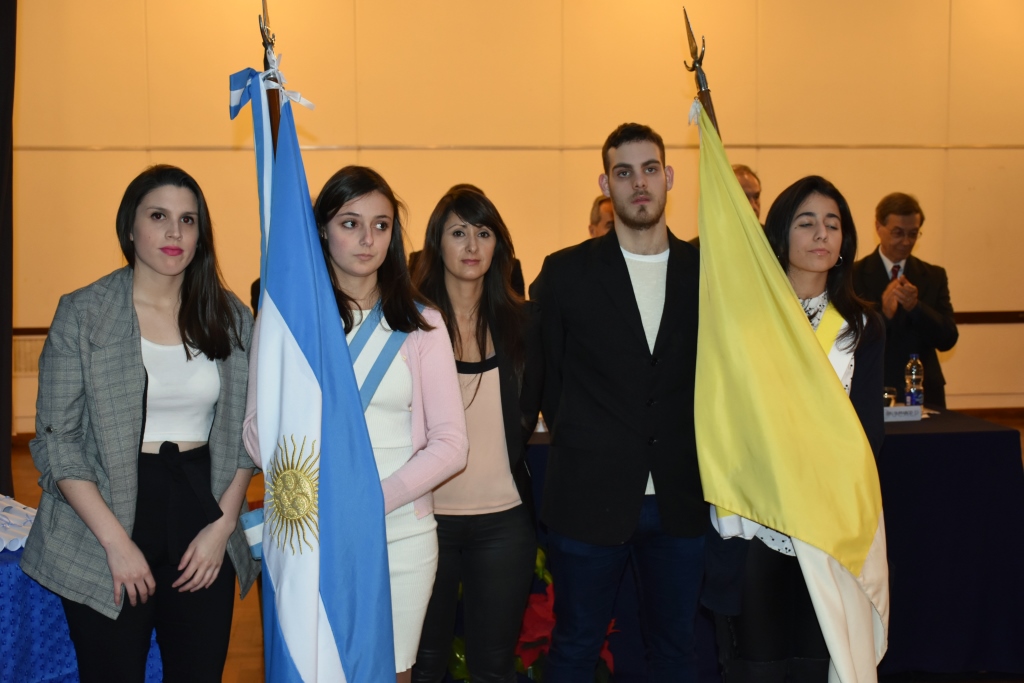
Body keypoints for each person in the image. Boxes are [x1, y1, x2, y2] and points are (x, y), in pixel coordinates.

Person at [21, 165, 259, 683]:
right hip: (103, 515)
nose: (175, 232)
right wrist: (116, 542)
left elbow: (250, 435)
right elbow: (57, 442)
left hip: (204, 514)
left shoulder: (232, 317)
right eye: (159, 216)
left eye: (188, 220)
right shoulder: (84, 314)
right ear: (131, 227)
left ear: (201, 234)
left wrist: (221, 528)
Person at [530, 123, 705, 681]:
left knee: (675, 653)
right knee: (576, 648)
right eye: (623, 172)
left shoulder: (707, 271)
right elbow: (548, 381)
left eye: (649, 168)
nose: (639, 183)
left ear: (669, 176)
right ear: (606, 183)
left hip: (681, 499)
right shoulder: (565, 273)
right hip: (589, 498)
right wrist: (594, 441)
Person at [723, 175, 885, 683]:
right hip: (759, 520)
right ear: (780, 235)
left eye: (832, 224)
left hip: (831, 523)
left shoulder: (862, 326)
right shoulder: (747, 320)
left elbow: (867, 436)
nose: (821, 235)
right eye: (807, 222)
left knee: (822, 661)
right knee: (760, 666)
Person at [312, 165, 468, 682]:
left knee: (390, 675)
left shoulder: (423, 324)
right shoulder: (293, 322)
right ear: (322, 230)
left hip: (400, 533)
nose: (367, 238)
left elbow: (451, 445)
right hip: (316, 530)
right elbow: (253, 433)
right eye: (351, 223)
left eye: (381, 226)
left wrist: (370, 501)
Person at [411, 187, 540, 683]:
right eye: (458, 232)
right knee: (424, 665)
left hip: (503, 523)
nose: (471, 245)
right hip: (426, 521)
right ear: (436, 244)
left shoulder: (524, 324)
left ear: (498, 247)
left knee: (493, 666)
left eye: (483, 233)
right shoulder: (412, 326)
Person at [852, 192, 958, 407]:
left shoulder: (934, 275)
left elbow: (948, 338)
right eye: (898, 233)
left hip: (925, 391)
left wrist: (917, 308)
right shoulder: (853, 276)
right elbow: (848, 340)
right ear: (878, 227)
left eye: (913, 233)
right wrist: (885, 316)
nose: (906, 241)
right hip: (874, 388)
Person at [409, 184, 525, 297]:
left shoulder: (525, 314)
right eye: (458, 233)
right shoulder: (411, 315)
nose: (473, 247)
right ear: (437, 241)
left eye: (483, 234)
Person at [691, 165, 762, 248]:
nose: (753, 206)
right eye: (744, 198)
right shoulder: (698, 250)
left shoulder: (772, 242)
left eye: (756, 196)